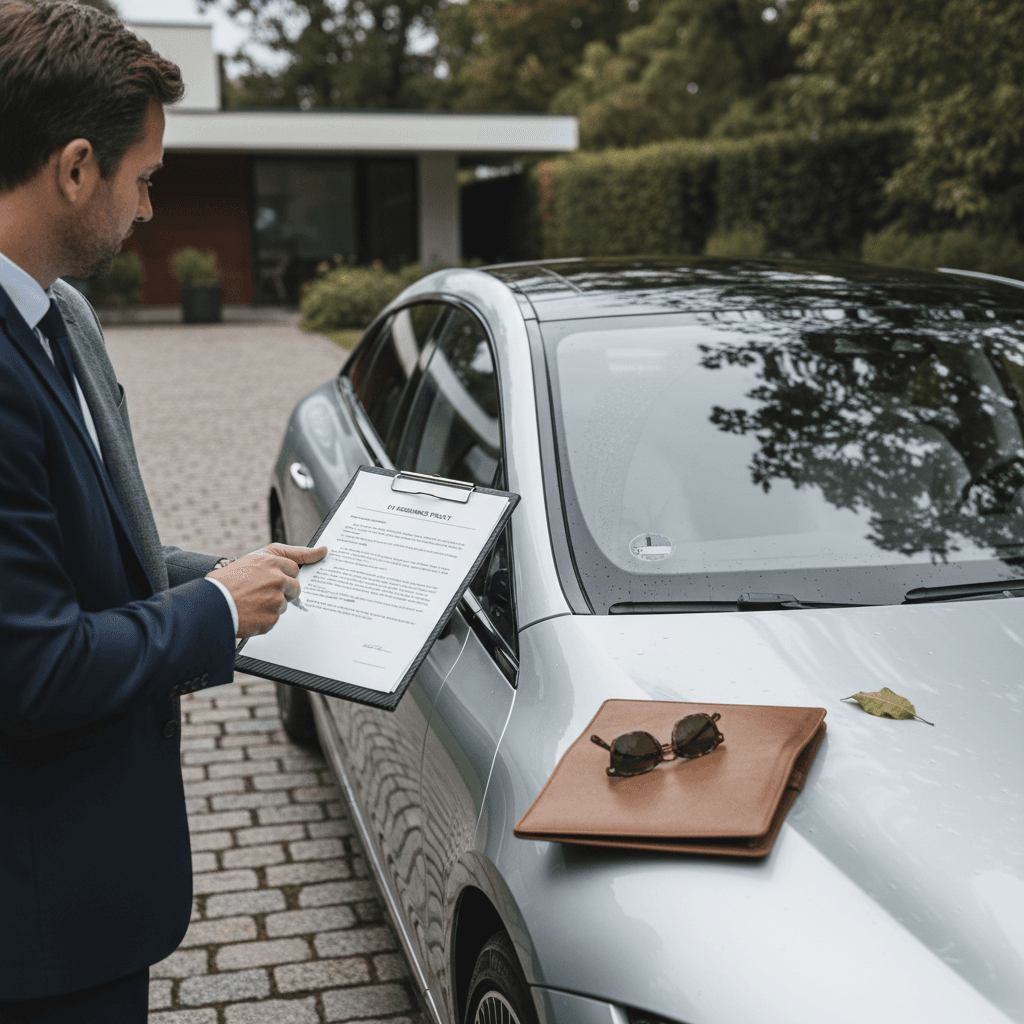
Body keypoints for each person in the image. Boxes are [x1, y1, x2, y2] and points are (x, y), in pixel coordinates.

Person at [0, 3, 327, 1020]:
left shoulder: (54, 314)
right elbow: (33, 666)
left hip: (80, 895)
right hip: (35, 927)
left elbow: (80, 551)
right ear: (75, 166)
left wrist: (232, 572)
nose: (147, 211)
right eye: (144, 179)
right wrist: (220, 610)